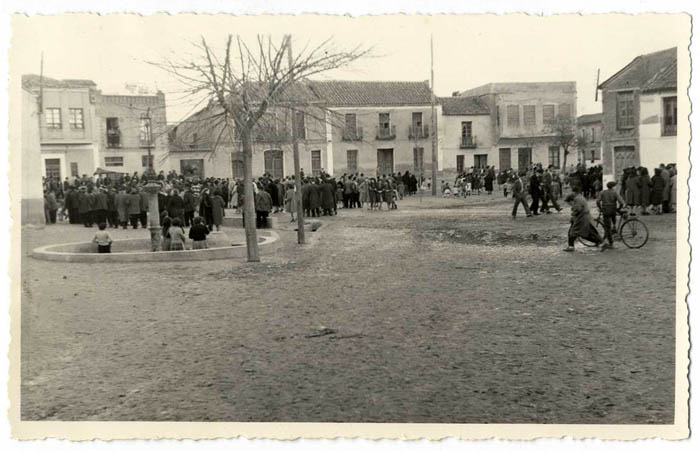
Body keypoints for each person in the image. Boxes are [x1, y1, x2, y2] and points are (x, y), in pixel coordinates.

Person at [596, 181, 626, 249]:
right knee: (613, 218)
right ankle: (614, 227)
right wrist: (619, 208)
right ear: (613, 187)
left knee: (607, 227)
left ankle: (611, 243)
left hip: (606, 210)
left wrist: (600, 208)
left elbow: (598, 201)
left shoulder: (602, 192)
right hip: (613, 209)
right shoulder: (615, 192)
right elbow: (621, 202)